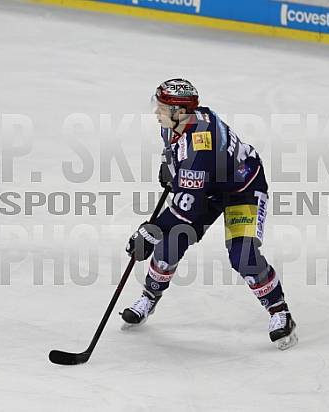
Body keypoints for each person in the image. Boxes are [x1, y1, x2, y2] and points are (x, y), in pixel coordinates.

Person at [121, 79, 297, 350]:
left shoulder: (199, 149)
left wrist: (149, 230)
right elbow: (179, 158)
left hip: (242, 190)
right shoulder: (180, 122)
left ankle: (279, 311)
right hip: (208, 187)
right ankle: (149, 298)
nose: (156, 112)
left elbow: (186, 209)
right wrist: (171, 168)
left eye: (162, 108)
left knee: (243, 255)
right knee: (171, 243)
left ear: (180, 111)